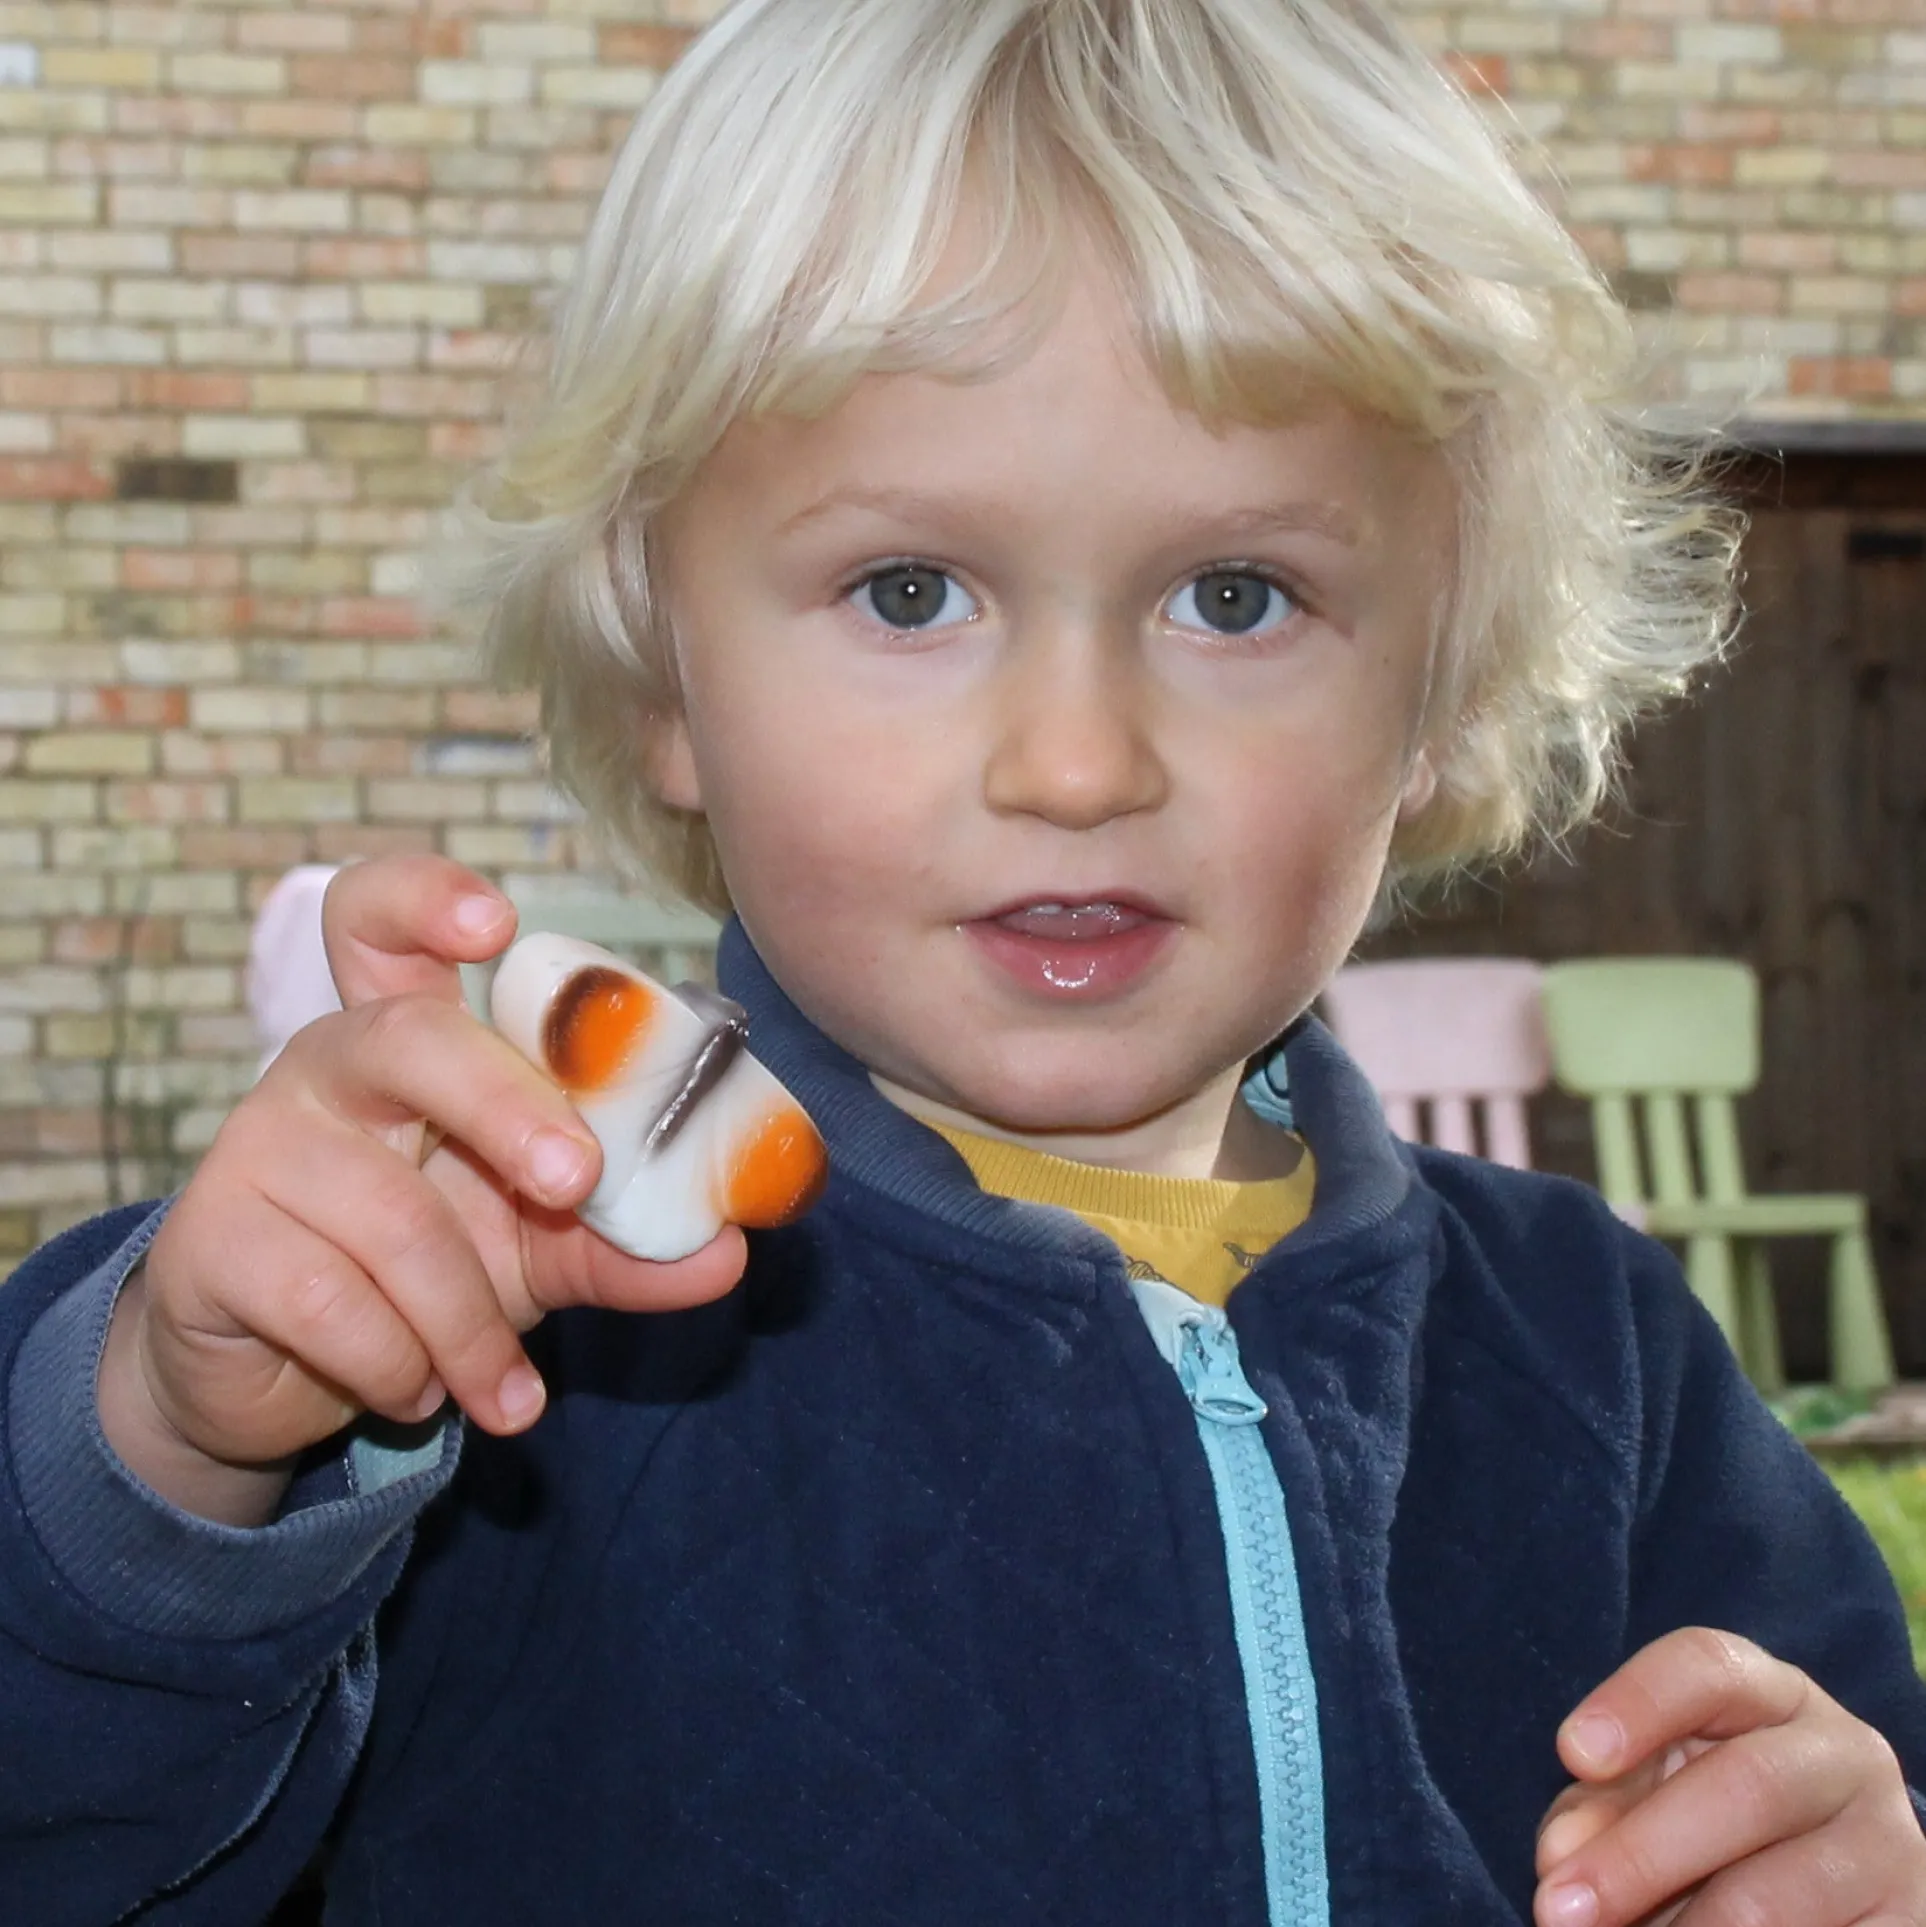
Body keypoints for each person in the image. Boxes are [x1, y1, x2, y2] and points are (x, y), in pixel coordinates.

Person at [4, 1, 1923, 1922]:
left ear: (1432, 694)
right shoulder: (498, 1324)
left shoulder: (1599, 1366)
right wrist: (178, 1467)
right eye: (909, 591)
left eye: (1234, 596)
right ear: (667, 669)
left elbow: (1837, 1797)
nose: (1074, 762)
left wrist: (1842, 1857)